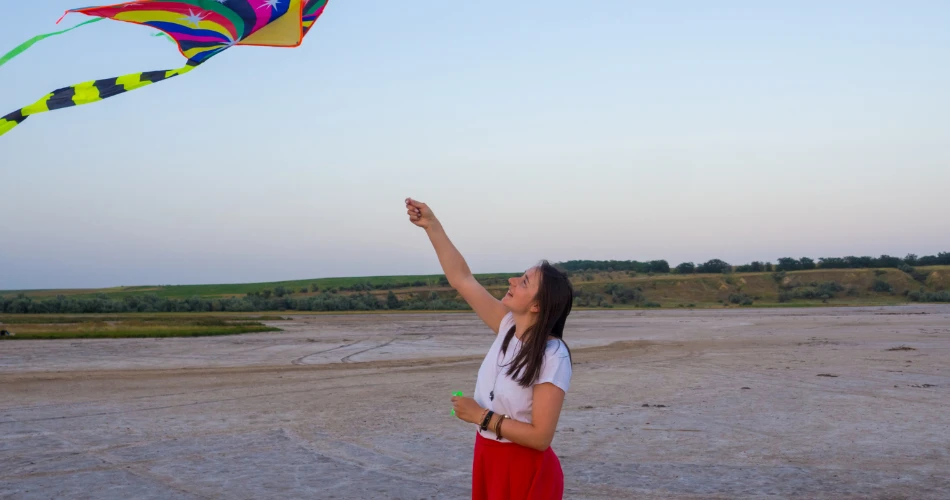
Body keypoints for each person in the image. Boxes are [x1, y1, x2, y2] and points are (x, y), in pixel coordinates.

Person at [405, 197, 574, 499]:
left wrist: (480, 416)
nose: (512, 280)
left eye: (524, 282)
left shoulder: (553, 355)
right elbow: (462, 278)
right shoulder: (507, 326)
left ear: (537, 306)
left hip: (525, 468)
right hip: (488, 456)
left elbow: (541, 437)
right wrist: (432, 226)